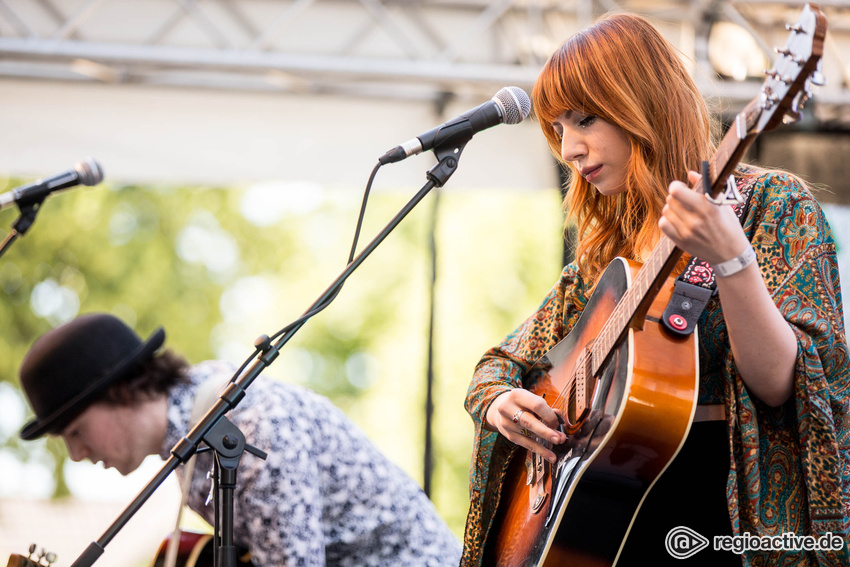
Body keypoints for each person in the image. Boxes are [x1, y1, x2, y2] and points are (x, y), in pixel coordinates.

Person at [461, 12, 849, 567]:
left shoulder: (771, 206)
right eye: (558, 130)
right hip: (608, 528)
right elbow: (498, 364)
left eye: (586, 120)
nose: (568, 148)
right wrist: (501, 403)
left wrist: (732, 259)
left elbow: (787, 385)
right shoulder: (604, 258)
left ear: (644, 104)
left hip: (726, 528)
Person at [17, 312, 462, 567]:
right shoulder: (190, 436)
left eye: (75, 432)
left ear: (121, 391)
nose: (76, 455)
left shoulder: (249, 429)